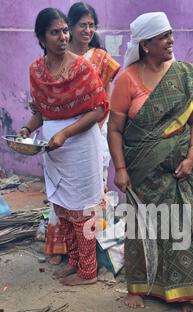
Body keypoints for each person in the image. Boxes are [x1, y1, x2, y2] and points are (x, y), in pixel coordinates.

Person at [107, 12, 193, 311]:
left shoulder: (183, 75)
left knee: (183, 228)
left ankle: (189, 291)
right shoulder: (127, 80)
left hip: (179, 172)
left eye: (170, 34)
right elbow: (115, 129)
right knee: (141, 230)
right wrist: (120, 169)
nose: (171, 41)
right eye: (163, 36)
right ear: (146, 44)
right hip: (141, 172)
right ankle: (138, 287)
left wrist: (191, 157)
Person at [18, 8, 108, 285]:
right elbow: (40, 112)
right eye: (55, 32)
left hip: (80, 146)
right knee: (62, 208)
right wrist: (27, 129)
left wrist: (66, 134)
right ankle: (76, 263)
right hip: (53, 149)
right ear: (42, 37)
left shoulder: (82, 67)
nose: (63, 37)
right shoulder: (36, 70)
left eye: (64, 30)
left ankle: (89, 272)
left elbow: (98, 109)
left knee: (83, 212)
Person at [44, 2, 121, 265]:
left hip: (93, 131)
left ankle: (96, 252)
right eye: (82, 25)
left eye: (91, 25)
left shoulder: (100, 58)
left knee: (91, 192)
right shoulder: (58, 61)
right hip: (61, 135)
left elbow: (106, 98)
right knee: (60, 190)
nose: (87, 30)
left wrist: (97, 128)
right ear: (70, 28)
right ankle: (62, 248)